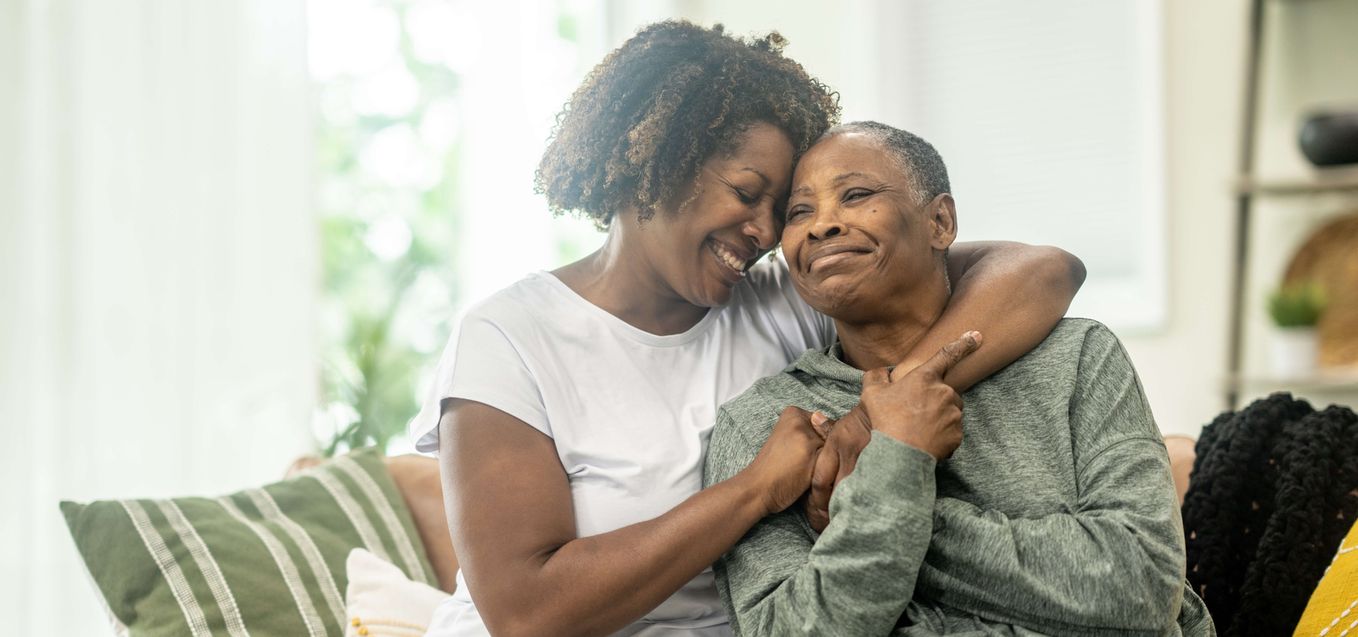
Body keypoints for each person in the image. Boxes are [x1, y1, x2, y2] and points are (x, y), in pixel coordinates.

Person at [412, 22, 1086, 637]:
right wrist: (754, 488)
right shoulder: (509, 337)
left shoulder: (782, 301)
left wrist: (881, 414)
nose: (767, 233)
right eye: (745, 193)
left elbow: (1040, 270)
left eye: (780, 207)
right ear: (657, 165)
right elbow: (529, 612)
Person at [703, 122, 1215, 636]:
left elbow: (1141, 587)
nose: (822, 226)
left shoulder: (1079, 356)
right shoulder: (766, 426)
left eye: (855, 195)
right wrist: (902, 456)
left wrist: (881, 496)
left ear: (940, 222)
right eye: (799, 212)